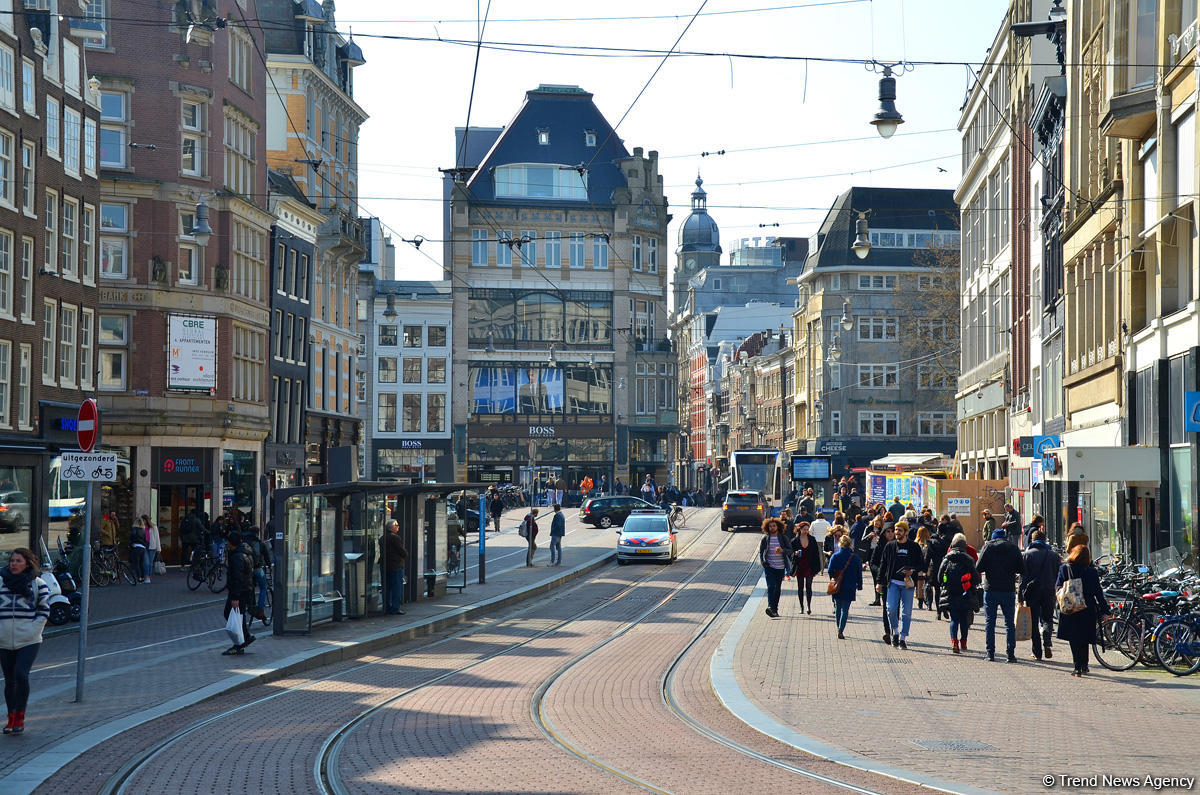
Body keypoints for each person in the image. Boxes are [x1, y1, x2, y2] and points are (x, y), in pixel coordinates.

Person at [0, 549, 50, 735]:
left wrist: (32, 630)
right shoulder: (0, 582)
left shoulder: (38, 584)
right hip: (4, 640)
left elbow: (44, 610)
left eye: (18, 561)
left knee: (21, 674)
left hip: (29, 640)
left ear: (27, 564)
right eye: (12, 560)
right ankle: (11, 718)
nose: (13, 564)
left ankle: (20, 716)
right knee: (9, 680)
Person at [1056, 543, 1109, 676]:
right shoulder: (1091, 572)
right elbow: (1098, 592)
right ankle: (1085, 665)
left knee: (1074, 638)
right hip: (1087, 608)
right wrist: (1105, 610)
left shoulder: (1065, 569)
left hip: (1070, 607)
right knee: (1085, 637)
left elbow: (1057, 587)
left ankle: (1077, 667)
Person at [975, 527, 1024, 662]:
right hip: (1008, 589)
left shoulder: (988, 547)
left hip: (991, 589)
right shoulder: (1013, 548)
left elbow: (978, 567)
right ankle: (1011, 654)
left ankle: (990, 653)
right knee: (1009, 623)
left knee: (990, 622)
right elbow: (1022, 569)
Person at [880, 521, 922, 649]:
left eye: (899, 530)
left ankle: (903, 638)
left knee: (906, 613)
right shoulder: (890, 546)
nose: (896, 533)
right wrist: (879, 582)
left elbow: (921, 564)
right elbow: (883, 564)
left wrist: (912, 570)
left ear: (906, 532)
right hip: (892, 582)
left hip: (907, 584)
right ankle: (895, 632)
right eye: (895, 530)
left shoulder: (914, 547)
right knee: (891, 609)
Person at [1021, 528, 1061, 661]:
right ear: (1044, 540)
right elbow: (1058, 575)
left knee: (1033, 620)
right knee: (1047, 618)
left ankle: (1037, 651)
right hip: (1049, 590)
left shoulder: (1027, 554)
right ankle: (1047, 642)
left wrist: (1020, 595)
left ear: (1032, 540)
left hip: (1032, 591)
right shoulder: (1054, 555)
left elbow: (1023, 577)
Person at [937, 533, 980, 653]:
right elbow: (976, 579)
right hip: (965, 593)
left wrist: (944, 585)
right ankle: (964, 643)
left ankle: (954, 642)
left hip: (950, 594)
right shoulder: (969, 560)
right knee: (964, 620)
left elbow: (939, 577)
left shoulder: (947, 559)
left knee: (954, 619)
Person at [221, 533, 256, 655]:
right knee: (239, 615)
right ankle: (244, 638)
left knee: (230, 613)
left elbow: (237, 577)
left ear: (231, 543)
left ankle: (240, 642)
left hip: (239, 591)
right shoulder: (245, 552)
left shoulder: (237, 557)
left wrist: (235, 596)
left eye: (228, 541)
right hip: (246, 589)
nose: (226, 543)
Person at [827, 534, 863, 639]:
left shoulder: (835, 556)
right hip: (850, 585)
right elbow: (859, 572)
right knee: (845, 609)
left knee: (838, 607)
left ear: (840, 544)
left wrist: (834, 578)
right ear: (850, 544)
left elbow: (829, 570)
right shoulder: (855, 557)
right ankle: (841, 629)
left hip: (837, 585)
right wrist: (859, 585)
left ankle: (838, 626)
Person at [758, 517, 793, 618]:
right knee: (771, 586)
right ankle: (770, 607)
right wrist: (763, 562)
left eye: (774, 526)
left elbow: (790, 550)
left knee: (777, 588)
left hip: (780, 567)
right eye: (770, 526)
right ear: (767, 527)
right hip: (769, 566)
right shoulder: (765, 538)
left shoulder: (783, 538)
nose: (772, 528)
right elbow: (761, 552)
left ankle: (775, 609)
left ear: (778, 526)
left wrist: (782, 550)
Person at [792, 522, 821, 614]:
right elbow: (790, 554)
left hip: (809, 565)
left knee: (809, 586)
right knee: (800, 587)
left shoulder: (812, 539)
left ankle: (809, 606)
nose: (806, 531)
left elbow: (817, 554)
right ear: (800, 530)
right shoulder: (795, 541)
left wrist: (818, 567)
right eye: (804, 529)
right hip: (800, 565)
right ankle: (801, 606)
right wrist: (795, 554)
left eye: (807, 530)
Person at [244, 527, 273, 620]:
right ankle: (260, 610)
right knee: (263, 588)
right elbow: (267, 557)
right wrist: (269, 565)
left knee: (250, 587)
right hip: (257, 569)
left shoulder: (245, 543)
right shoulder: (261, 544)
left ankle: (250, 605)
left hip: (247, 571)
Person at [927, 518, 952, 620]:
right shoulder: (950, 542)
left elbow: (927, 558)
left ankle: (938, 611)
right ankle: (945, 608)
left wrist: (925, 570)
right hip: (947, 569)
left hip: (935, 569)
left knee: (937, 590)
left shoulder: (931, 543)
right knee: (947, 589)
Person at [382, 519, 407, 615]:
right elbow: (402, 551)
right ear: (391, 527)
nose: (398, 527)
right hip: (396, 565)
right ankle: (395, 608)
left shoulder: (383, 538)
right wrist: (405, 554)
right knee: (397, 587)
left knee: (387, 587)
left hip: (385, 566)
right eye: (396, 525)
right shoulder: (395, 538)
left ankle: (387, 606)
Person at [141, 515, 161, 583]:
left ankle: (148, 576)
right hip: (144, 546)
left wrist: (159, 549)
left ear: (146, 520)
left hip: (152, 546)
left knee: (150, 563)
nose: (142, 521)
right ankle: (146, 576)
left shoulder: (154, 527)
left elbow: (157, 538)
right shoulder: (141, 527)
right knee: (146, 562)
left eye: (143, 520)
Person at [129, 518, 149, 584]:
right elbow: (145, 539)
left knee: (136, 563)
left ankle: (139, 578)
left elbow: (132, 537)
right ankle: (143, 577)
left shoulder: (134, 529)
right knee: (141, 563)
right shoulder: (143, 530)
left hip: (136, 547)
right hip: (142, 548)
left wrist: (131, 544)